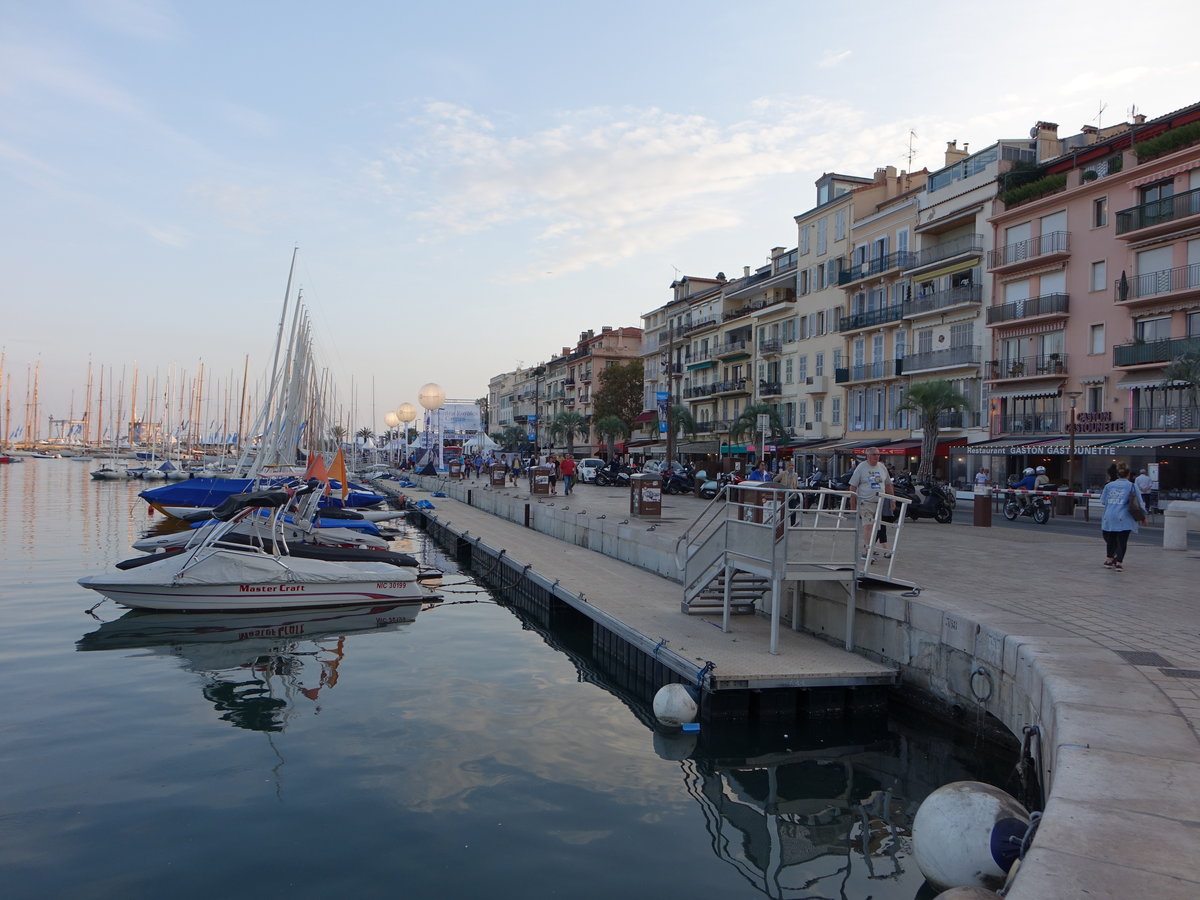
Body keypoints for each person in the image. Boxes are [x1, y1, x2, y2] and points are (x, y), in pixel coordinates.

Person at [849, 447, 892, 560]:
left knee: (876, 528)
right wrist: (852, 504)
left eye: (878, 454)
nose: (877, 456)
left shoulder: (882, 467)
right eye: (874, 454)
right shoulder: (861, 468)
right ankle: (866, 551)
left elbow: (888, 484)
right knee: (868, 526)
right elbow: (853, 486)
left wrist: (892, 500)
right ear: (868, 456)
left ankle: (872, 548)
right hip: (866, 502)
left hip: (879, 502)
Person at [1100, 463, 1144, 571]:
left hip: (1110, 515)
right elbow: (1140, 502)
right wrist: (1144, 516)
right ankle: (1119, 563)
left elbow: (1103, 501)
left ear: (1117, 474)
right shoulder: (1132, 486)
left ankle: (1109, 560)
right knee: (1122, 541)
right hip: (1124, 516)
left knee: (1111, 539)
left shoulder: (1108, 486)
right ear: (1128, 474)